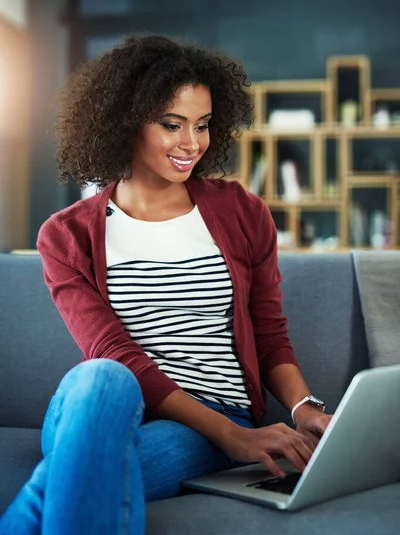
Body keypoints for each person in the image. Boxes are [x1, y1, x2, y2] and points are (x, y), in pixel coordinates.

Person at [0, 34, 331, 535]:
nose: (191, 144)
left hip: (210, 420)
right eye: (171, 125)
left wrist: (303, 406)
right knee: (104, 375)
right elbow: (111, 351)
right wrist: (233, 441)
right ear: (122, 122)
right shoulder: (66, 236)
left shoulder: (243, 212)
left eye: (202, 126)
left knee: (77, 473)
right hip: (102, 406)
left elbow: (267, 331)